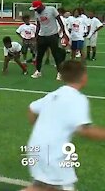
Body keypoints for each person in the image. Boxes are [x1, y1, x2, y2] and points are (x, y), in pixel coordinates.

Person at [22, 60, 105, 191]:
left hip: (36, 147)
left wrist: (43, 129)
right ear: (84, 77)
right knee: (61, 187)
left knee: (42, 187)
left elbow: (32, 109)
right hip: (53, 153)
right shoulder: (78, 99)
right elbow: (85, 130)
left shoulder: (54, 94)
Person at [29, 0, 68, 80]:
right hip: (42, 36)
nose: (35, 10)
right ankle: (38, 71)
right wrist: (36, 36)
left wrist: (64, 33)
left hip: (52, 35)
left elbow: (60, 21)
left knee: (56, 55)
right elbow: (38, 25)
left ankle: (59, 73)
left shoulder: (51, 9)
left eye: (36, 8)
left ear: (41, 6)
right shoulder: (36, 13)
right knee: (39, 55)